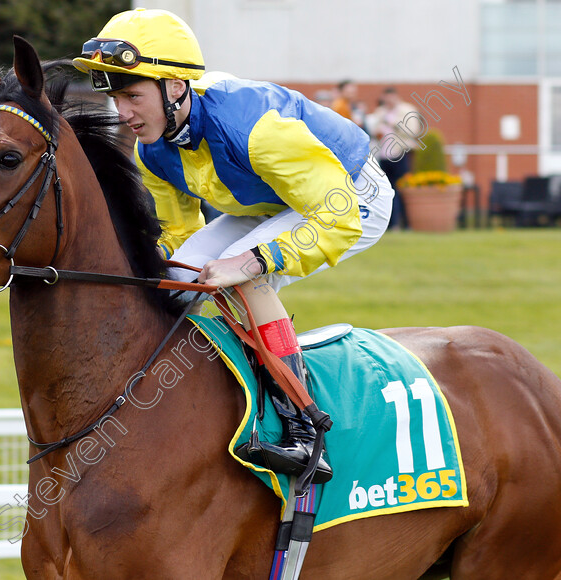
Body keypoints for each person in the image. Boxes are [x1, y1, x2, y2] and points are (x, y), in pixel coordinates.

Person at [74, 8, 394, 479]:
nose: (122, 114)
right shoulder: (152, 149)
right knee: (177, 283)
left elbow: (337, 216)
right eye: (115, 97)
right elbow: (177, 238)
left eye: (132, 95)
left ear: (175, 87)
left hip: (349, 196)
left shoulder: (254, 129)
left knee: (243, 278)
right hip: (272, 201)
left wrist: (254, 261)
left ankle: (305, 430)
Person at [366, 87, 417, 230]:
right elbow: (373, 130)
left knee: (402, 189)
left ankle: (406, 223)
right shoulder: (380, 112)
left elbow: (413, 131)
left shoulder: (406, 110)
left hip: (400, 154)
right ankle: (391, 224)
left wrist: (393, 124)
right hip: (383, 155)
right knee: (387, 191)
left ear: (395, 97)